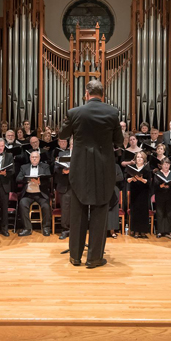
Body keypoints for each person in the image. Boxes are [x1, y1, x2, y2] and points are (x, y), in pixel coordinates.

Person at [59, 80, 123, 268]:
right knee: (99, 213)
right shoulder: (112, 113)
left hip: (80, 169)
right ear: (103, 94)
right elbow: (119, 141)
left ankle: (75, 257)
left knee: (78, 213)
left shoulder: (74, 113)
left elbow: (62, 135)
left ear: (86, 94)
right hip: (103, 169)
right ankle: (94, 258)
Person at [16, 150, 52, 236]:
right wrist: (26, 180)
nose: (34, 159)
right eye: (33, 157)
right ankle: (27, 228)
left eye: (36, 157)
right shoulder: (24, 167)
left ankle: (46, 228)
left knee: (46, 206)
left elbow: (49, 180)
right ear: (30, 158)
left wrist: (39, 182)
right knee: (22, 204)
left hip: (41, 194)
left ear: (39, 158)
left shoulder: (45, 166)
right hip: (28, 194)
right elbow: (18, 179)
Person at [127, 151, 152, 239]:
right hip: (134, 191)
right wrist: (132, 178)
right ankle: (135, 231)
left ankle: (143, 231)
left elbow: (149, 182)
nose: (139, 159)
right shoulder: (132, 168)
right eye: (137, 157)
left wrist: (141, 179)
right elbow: (127, 179)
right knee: (135, 210)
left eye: (141, 157)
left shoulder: (147, 169)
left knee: (143, 211)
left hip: (144, 192)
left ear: (144, 159)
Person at [53, 138, 72, 240]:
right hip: (64, 184)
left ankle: (76, 230)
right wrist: (63, 171)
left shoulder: (80, 155)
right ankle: (65, 230)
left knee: (76, 209)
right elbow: (55, 168)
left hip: (76, 186)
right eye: (72, 144)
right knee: (65, 209)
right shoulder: (61, 154)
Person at [153, 157, 171, 237]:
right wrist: (161, 186)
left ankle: (168, 230)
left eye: (168, 164)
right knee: (160, 213)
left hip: (170, 195)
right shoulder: (158, 174)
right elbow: (154, 186)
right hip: (160, 195)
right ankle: (160, 231)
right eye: (164, 164)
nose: (166, 166)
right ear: (161, 165)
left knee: (169, 213)